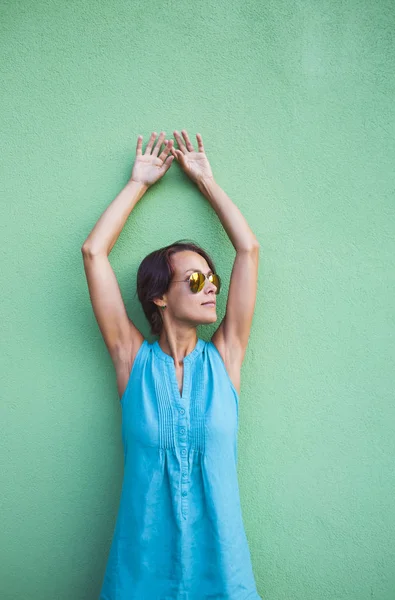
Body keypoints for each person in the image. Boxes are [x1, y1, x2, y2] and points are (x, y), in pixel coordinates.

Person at [81, 130, 261, 599]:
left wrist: (207, 182)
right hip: (139, 573)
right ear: (160, 296)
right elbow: (93, 252)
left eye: (212, 278)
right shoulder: (132, 361)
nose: (211, 288)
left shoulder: (226, 358)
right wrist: (138, 183)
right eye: (195, 278)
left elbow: (249, 251)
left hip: (222, 574)